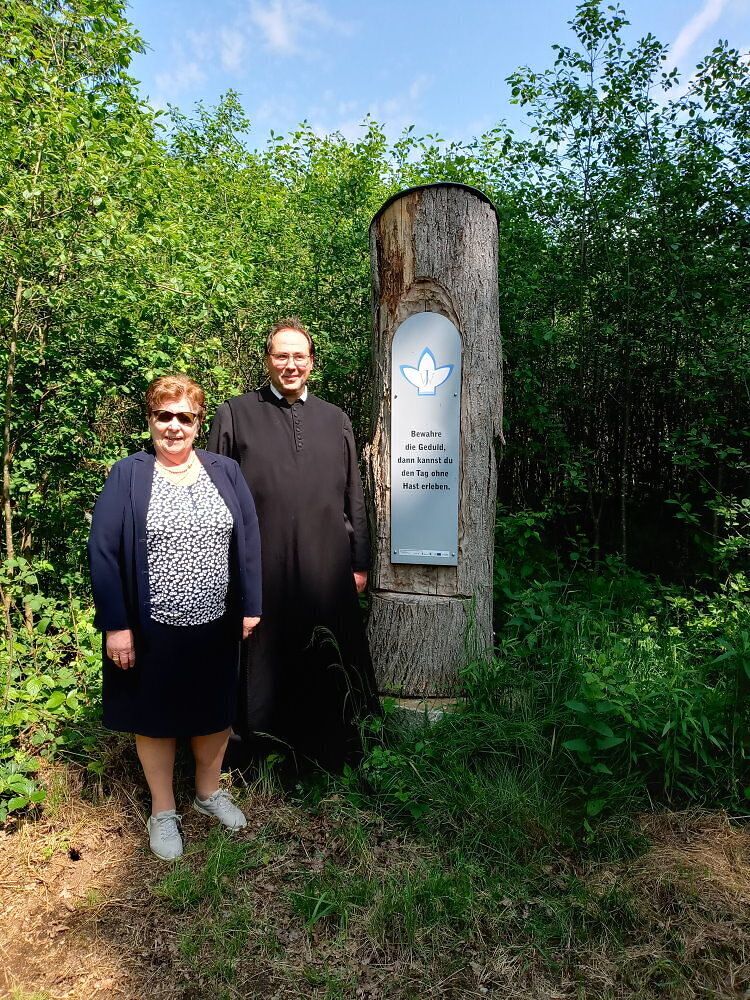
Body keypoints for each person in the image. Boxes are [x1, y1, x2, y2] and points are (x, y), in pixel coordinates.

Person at [88, 374, 262, 861]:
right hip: (152, 627)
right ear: (150, 419)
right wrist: (116, 625)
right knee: (155, 718)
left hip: (217, 622)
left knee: (215, 712)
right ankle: (163, 811)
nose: (174, 426)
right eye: (164, 415)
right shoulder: (128, 474)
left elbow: (248, 536)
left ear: (198, 422)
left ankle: (208, 793)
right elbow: (104, 551)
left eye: (185, 417)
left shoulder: (225, 470)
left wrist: (251, 604)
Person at [208, 318, 379, 772]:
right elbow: (215, 498)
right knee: (263, 663)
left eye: (299, 356)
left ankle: (329, 756)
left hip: (327, 567)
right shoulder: (235, 414)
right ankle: (257, 759)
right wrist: (223, 568)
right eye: (281, 355)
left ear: (312, 362)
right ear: (267, 361)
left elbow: (353, 494)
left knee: (325, 657)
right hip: (261, 566)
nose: (290, 364)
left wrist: (359, 561)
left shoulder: (335, 418)